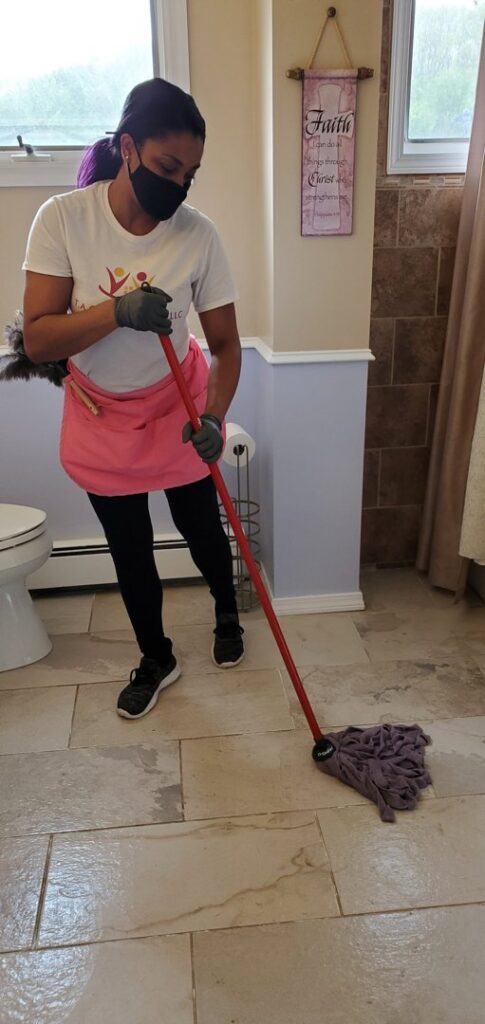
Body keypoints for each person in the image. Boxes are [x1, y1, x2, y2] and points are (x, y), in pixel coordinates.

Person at [22, 77, 244, 720]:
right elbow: (38, 339)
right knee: (130, 548)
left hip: (178, 405)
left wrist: (214, 415)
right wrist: (116, 311)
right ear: (127, 148)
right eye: (168, 167)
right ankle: (157, 656)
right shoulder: (63, 218)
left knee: (202, 527)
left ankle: (227, 613)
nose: (178, 187)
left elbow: (226, 346)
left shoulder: (198, 235)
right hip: (101, 412)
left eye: (191, 175)